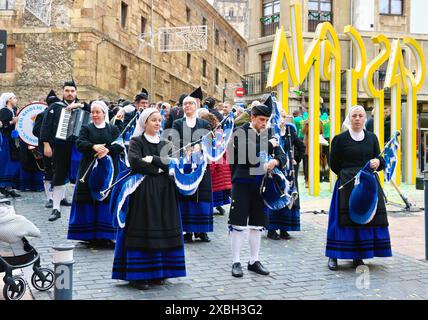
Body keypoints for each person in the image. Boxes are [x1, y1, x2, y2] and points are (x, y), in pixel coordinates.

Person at [112, 108, 186, 290]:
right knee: (144, 228)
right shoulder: (136, 141)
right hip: (143, 191)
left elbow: (170, 161)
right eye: (154, 120)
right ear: (145, 123)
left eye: (159, 120)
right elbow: (135, 162)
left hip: (164, 191)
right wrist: (157, 167)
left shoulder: (164, 142)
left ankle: (159, 273)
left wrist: (152, 158)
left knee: (162, 228)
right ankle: (139, 275)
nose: (158, 123)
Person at [326, 105, 392, 271]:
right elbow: (334, 164)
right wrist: (347, 174)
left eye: (360, 116)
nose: (357, 119)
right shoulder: (340, 139)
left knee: (364, 220)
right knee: (341, 221)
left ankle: (358, 256)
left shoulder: (372, 138)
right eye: (354, 115)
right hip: (347, 184)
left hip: (367, 184)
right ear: (350, 118)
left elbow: (380, 160)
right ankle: (333, 255)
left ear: (364, 118)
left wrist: (378, 163)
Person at [229, 103, 286, 277]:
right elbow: (248, 154)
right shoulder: (240, 132)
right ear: (252, 117)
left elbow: (282, 155)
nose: (264, 123)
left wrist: (275, 162)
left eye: (267, 120)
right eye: (261, 119)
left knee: (257, 224)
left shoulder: (268, 133)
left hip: (262, 183)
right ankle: (236, 261)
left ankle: (253, 261)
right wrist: (268, 145)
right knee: (238, 223)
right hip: (242, 182)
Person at [67, 101, 124, 246]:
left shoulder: (113, 129)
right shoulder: (86, 128)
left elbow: (119, 145)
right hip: (89, 169)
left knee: (106, 198)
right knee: (88, 198)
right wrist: (93, 146)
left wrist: (107, 151)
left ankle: (107, 234)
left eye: (98, 112)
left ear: (104, 113)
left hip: (109, 170)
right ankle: (88, 234)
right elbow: (80, 143)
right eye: (93, 112)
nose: (95, 115)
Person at [40, 80, 89, 222]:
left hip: (78, 147)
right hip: (60, 146)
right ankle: (56, 208)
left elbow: (94, 109)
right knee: (59, 176)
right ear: (63, 92)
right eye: (67, 91)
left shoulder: (83, 107)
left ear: (76, 92)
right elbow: (45, 127)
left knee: (80, 177)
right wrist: (46, 144)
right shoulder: (55, 107)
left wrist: (79, 105)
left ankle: (80, 210)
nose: (69, 93)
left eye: (72, 91)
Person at [171, 96, 213, 243]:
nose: (188, 106)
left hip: (201, 164)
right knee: (186, 196)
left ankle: (202, 231)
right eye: (185, 104)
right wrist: (187, 146)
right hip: (185, 165)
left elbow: (209, 139)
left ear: (196, 106)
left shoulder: (204, 123)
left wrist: (200, 146)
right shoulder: (177, 123)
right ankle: (187, 231)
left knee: (202, 197)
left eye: (190, 103)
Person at [266, 109, 305, 240]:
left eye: (283, 116)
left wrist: (296, 159)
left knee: (288, 196)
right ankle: (272, 229)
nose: (281, 119)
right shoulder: (270, 132)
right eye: (279, 116)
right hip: (275, 170)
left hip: (288, 170)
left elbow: (301, 146)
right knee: (275, 195)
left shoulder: (290, 131)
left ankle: (284, 228)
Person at [200, 112, 231, 216]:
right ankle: (219, 206)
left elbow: (214, 154)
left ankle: (214, 206)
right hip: (222, 164)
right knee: (219, 189)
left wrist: (211, 169)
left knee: (214, 188)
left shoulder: (212, 135)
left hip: (217, 164)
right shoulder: (219, 132)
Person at [0, 93, 21, 197]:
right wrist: (12, 122)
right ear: (8, 100)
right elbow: (2, 125)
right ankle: (3, 186)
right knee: (6, 161)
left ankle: (9, 186)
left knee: (13, 162)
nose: (16, 99)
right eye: (14, 98)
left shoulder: (13, 110)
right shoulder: (4, 111)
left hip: (12, 140)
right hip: (6, 140)